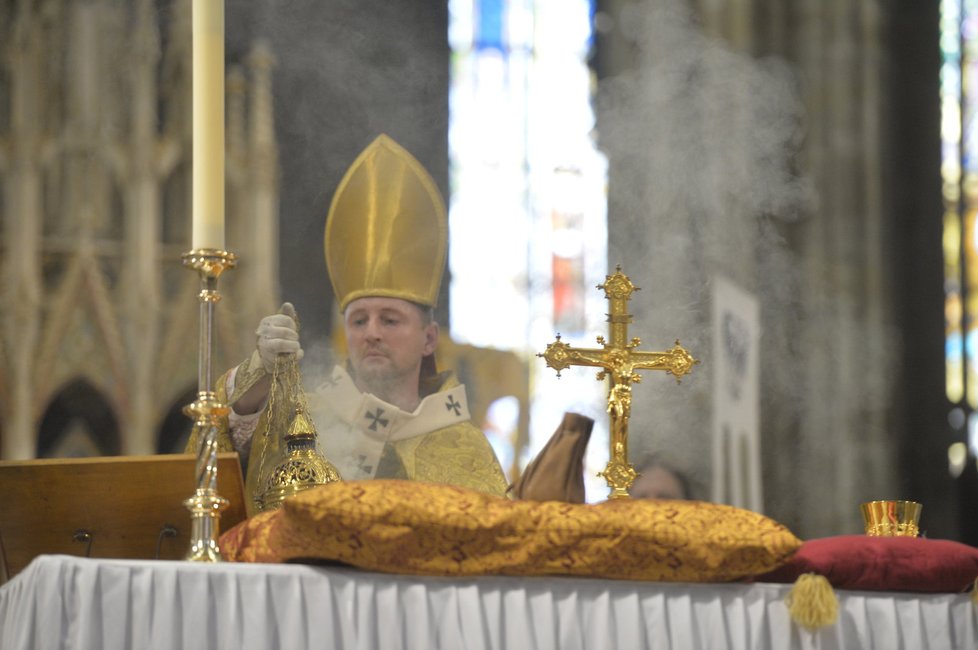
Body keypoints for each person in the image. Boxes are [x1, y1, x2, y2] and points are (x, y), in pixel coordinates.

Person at [187, 135, 509, 512]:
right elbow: (217, 461)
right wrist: (258, 376)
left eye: (390, 320)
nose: (371, 332)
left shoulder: (461, 444)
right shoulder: (302, 420)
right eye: (359, 320)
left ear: (429, 339)